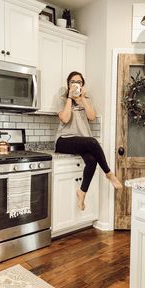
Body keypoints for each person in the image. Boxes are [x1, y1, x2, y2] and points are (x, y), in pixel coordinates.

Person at [55, 71, 122, 211]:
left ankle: (82, 193)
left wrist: (83, 99)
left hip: (82, 141)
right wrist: (70, 97)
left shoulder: (87, 100)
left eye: (79, 82)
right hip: (64, 140)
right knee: (92, 142)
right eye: (72, 82)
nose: (75, 84)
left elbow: (92, 117)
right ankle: (109, 174)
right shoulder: (62, 99)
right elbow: (65, 119)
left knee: (92, 161)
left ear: (82, 85)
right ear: (68, 84)